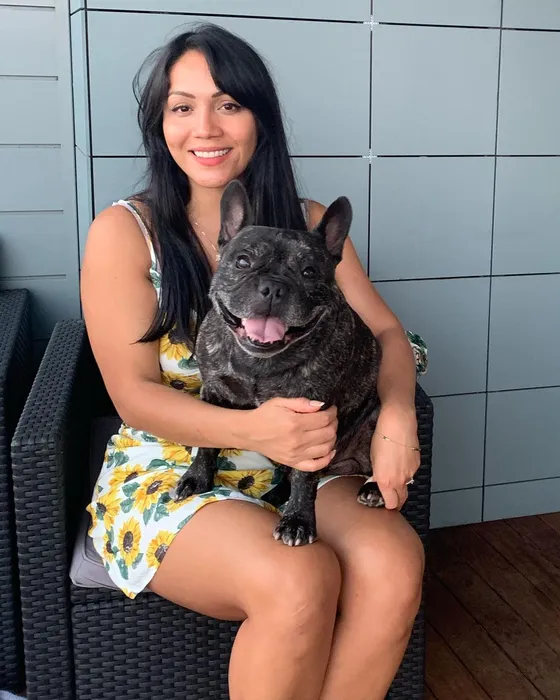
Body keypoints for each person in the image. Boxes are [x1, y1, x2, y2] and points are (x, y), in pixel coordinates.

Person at [81, 23, 427, 700]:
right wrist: (255, 431)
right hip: (177, 463)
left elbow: (388, 333)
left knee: (393, 567)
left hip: (312, 460)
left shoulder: (310, 225)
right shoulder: (125, 232)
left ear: (259, 119)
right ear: (160, 124)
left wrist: (397, 415)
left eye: (229, 104)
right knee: (298, 577)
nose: (205, 127)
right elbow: (134, 397)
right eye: (182, 106)